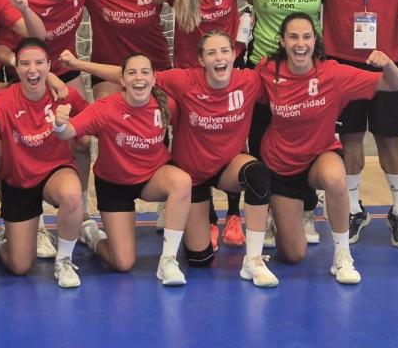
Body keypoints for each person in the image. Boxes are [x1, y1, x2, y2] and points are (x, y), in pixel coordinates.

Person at [234, 0, 398, 246]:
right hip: (338, 58)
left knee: (388, 138)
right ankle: (352, 209)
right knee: (348, 139)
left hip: (385, 57)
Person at [62, 32, 278, 287]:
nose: (219, 57)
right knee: (198, 258)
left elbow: (287, 79)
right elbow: (134, 75)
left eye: (224, 51)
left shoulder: (250, 81)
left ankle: (252, 260)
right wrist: (78, 65)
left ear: (234, 55)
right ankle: (93, 237)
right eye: (211, 53)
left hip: (228, 165)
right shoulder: (183, 81)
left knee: (258, 175)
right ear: (201, 59)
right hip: (192, 174)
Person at [255, 13, 398, 284]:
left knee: (336, 178)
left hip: (319, 157)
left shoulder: (333, 73)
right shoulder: (268, 70)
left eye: (307, 36)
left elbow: (396, 84)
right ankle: (281, 220)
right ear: (282, 41)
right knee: (293, 255)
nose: (300, 43)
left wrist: (388, 64)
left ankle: (342, 256)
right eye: (293, 36)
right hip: (281, 166)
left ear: (315, 41)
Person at [52, 54, 192, 286]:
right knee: (123, 263)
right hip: (114, 184)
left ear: (154, 79)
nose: (139, 77)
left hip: (151, 178)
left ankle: (168, 260)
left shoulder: (166, 105)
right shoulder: (105, 109)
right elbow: (67, 132)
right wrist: (59, 124)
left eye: (145, 72)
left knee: (182, 181)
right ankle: (93, 237)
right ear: (122, 80)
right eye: (132, 73)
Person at [152, 0, 249, 250]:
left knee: (232, 142)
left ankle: (235, 215)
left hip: (225, 75)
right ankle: (206, 218)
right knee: (191, 148)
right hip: (188, 77)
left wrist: (243, 40)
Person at [0, 38, 88, 288]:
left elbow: (93, 120)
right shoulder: (3, 100)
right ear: (17, 68)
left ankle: (64, 260)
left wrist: (76, 130)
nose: (32, 69)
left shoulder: (65, 96)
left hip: (55, 171)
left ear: (48, 66)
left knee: (72, 194)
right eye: (25, 64)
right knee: (20, 266)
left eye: (39, 63)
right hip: (20, 180)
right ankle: (2, 242)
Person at [237, 0, 325, 248]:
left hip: (308, 70)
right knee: (262, 143)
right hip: (265, 67)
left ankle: (305, 209)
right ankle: (268, 214)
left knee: (306, 142)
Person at [5, 0, 95, 257]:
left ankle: (81, 211)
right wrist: (39, 72)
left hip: (65, 68)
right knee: (31, 144)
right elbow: (0, 48)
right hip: (29, 74)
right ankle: (36, 222)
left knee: (82, 141)